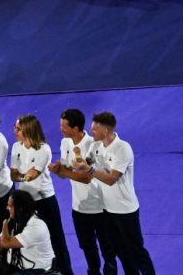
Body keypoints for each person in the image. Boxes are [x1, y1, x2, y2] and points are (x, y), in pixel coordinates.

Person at [70, 112, 155, 275]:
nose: (91, 132)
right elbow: (87, 163)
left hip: (125, 210)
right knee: (121, 250)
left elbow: (111, 179)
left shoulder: (123, 148)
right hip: (107, 210)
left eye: (94, 129)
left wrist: (89, 169)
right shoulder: (95, 146)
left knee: (136, 250)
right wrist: (79, 163)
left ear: (105, 131)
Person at [48, 109, 117, 275]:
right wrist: (59, 170)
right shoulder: (65, 143)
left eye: (64, 126)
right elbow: (67, 171)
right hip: (79, 207)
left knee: (107, 248)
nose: (60, 129)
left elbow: (87, 177)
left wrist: (64, 172)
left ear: (76, 128)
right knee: (87, 247)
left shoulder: (94, 144)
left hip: (101, 207)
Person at [10, 115, 73, 275]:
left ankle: (66, 271)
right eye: (15, 128)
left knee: (57, 239)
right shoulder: (16, 147)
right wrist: (24, 176)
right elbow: (13, 175)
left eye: (18, 128)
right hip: (26, 203)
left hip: (45, 200)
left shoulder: (43, 149)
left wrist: (22, 176)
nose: (14, 131)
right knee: (27, 239)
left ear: (28, 129)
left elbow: (34, 174)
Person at [0, 190, 55, 274]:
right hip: (19, 268)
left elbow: (5, 243)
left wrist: (5, 224)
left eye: (10, 206)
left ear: (20, 208)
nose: (7, 208)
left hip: (38, 271)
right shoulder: (17, 221)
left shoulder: (36, 226)